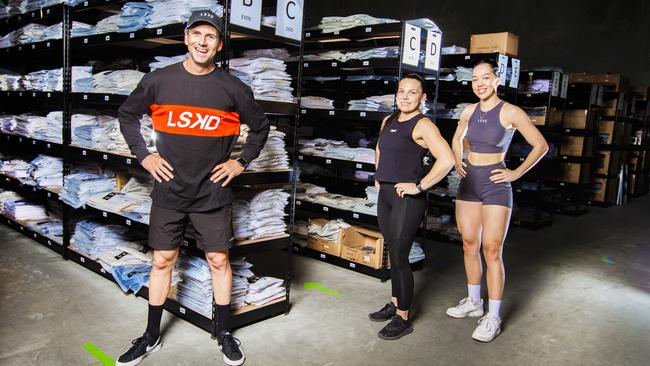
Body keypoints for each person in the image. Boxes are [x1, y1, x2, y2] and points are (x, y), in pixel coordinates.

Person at [116, 10, 270, 366]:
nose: (203, 42)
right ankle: (151, 336)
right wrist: (143, 155)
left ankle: (224, 332)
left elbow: (261, 129)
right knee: (162, 260)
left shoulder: (233, 88)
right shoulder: (159, 80)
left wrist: (239, 162)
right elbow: (127, 115)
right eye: (197, 34)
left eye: (210, 37)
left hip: (212, 193)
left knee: (219, 259)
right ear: (186, 38)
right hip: (169, 189)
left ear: (219, 44)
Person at [446, 60, 548, 342]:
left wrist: (515, 173)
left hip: (495, 185)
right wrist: (457, 160)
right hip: (468, 183)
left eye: (485, 77)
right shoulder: (468, 110)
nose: (479, 83)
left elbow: (541, 145)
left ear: (496, 81)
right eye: (475, 79)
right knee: (469, 243)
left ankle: (493, 316)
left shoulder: (511, 112)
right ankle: (474, 301)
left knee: (491, 250)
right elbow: (458, 139)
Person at [370, 74, 455, 340]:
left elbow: (447, 159)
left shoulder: (424, 124)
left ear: (423, 97)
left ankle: (403, 317)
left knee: (399, 256)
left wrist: (420, 186)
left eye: (412, 92)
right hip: (386, 194)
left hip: (407, 198)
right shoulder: (389, 120)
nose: (406, 96)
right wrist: (378, 175)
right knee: (391, 251)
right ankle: (395, 302)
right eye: (401, 91)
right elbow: (380, 150)